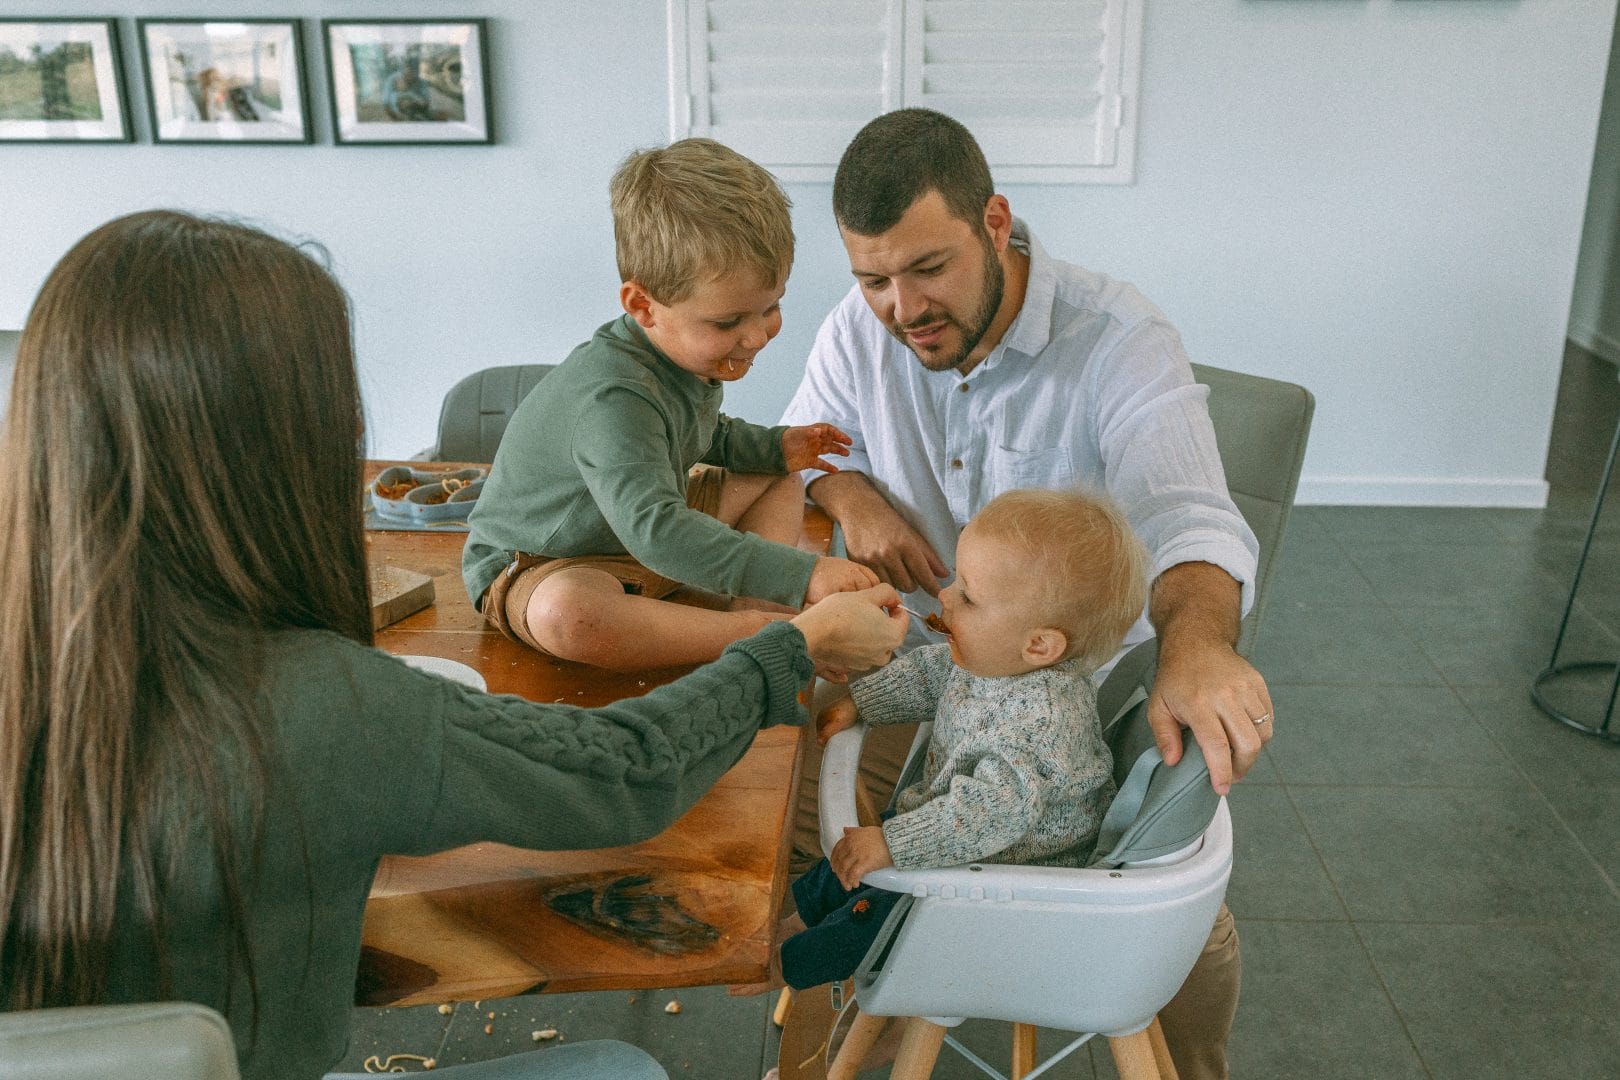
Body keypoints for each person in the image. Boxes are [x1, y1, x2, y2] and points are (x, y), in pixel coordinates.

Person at [0, 210, 908, 1080]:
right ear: (293, 449)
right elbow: (625, 771)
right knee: (620, 1068)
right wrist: (789, 647)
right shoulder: (322, 708)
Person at [778, 108, 1275, 1079]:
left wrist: (1201, 643)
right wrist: (850, 494)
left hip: (1071, 697)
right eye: (873, 279)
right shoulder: (861, 325)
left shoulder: (1118, 337)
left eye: (928, 268)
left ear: (995, 222)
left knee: (1179, 929)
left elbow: (1192, 520)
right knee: (778, 837)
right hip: (934, 672)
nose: (900, 306)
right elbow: (802, 443)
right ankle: (810, 1045)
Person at [463, 137, 877, 671]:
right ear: (643, 306)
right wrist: (803, 573)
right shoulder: (614, 399)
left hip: (638, 539)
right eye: (728, 322)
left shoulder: (683, 357)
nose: (757, 336)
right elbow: (656, 530)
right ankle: (744, 632)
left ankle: (753, 609)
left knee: (780, 473)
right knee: (566, 614)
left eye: (771, 307)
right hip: (548, 560)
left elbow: (703, 432)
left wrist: (776, 446)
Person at [776, 488, 1147, 992]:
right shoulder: (1000, 661)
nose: (945, 596)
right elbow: (935, 675)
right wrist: (865, 700)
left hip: (1006, 884)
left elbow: (993, 813)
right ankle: (786, 927)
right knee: (843, 858)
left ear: (1039, 644)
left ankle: (782, 965)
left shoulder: (1038, 726)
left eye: (968, 596)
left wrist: (895, 843)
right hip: (957, 832)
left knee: (871, 916)